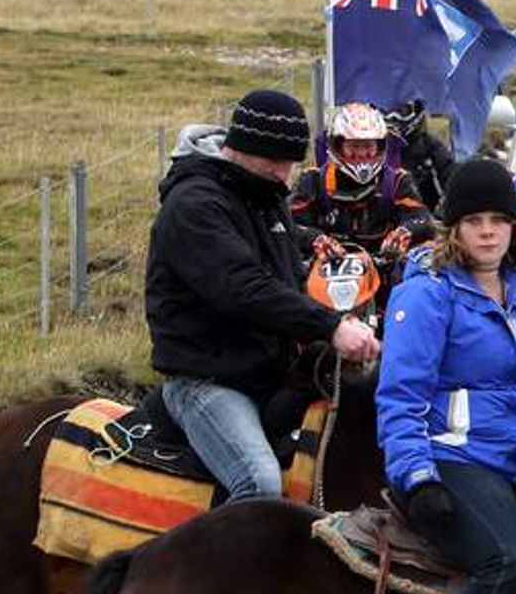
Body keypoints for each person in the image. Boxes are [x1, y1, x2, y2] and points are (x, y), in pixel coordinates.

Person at [145, 90, 382, 502]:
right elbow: (245, 288)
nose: (284, 173)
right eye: (276, 160)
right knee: (260, 483)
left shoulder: (263, 197)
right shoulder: (194, 206)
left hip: (268, 374)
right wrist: (331, 327)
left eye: (289, 162)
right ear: (245, 149)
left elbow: (289, 280)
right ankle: (215, 566)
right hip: (206, 382)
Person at [378, 158, 516, 594]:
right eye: (473, 220)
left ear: (514, 226)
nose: (488, 231)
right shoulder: (426, 294)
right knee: (510, 563)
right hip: (453, 457)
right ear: (454, 228)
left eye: (498, 220)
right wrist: (417, 478)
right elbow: (400, 397)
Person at [290, 102, 434, 263]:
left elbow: (424, 220)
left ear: (379, 146)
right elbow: (287, 224)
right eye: (353, 146)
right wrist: (315, 239)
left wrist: (404, 232)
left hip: (383, 269)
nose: (361, 153)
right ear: (337, 146)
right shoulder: (313, 179)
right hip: (325, 268)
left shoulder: (397, 180)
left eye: (368, 146)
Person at [387, 99, 456, 209]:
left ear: (417, 113)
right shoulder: (374, 146)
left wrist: (440, 215)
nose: (394, 117)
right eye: (388, 111)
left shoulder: (430, 147)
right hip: (381, 220)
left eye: (402, 111)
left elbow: (453, 183)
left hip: (426, 218)